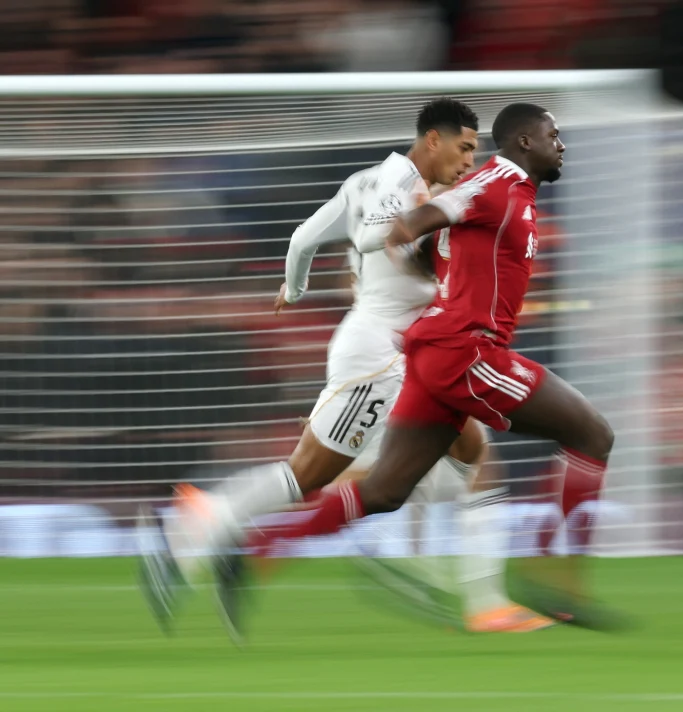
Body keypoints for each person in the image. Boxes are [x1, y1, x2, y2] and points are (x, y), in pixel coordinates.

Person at [137, 98, 554, 640]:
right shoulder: (411, 194)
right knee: (309, 474)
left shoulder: (363, 181)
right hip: (382, 357)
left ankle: (487, 604)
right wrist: (407, 243)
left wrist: (295, 285)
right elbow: (370, 237)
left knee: (470, 461)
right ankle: (200, 523)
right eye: (465, 147)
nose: (470, 160)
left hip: (392, 347)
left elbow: (303, 238)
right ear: (435, 139)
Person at [214, 103, 617, 633]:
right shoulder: (495, 182)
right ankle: (557, 580)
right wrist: (407, 248)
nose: (561, 144)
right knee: (593, 434)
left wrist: (434, 264)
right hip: (468, 353)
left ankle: (259, 549)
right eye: (553, 135)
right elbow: (409, 224)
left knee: (384, 492)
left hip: (435, 355)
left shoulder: (510, 193)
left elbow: (435, 232)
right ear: (523, 142)